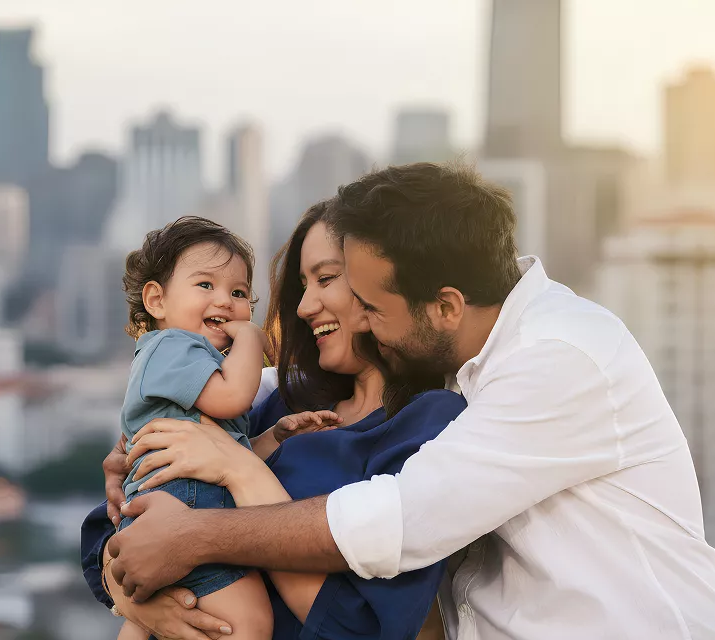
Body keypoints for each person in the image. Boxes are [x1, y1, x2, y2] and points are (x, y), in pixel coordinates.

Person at [106, 163, 715, 640]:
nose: (356, 318)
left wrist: (201, 527)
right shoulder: (452, 362)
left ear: (444, 306)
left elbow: (401, 521)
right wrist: (138, 578)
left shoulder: (556, 358)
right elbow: (123, 511)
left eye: (371, 306)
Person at [82, 201, 465, 640]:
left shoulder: (431, 422)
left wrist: (239, 470)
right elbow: (109, 530)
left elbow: (368, 627)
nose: (303, 306)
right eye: (302, 284)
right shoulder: (281, 402)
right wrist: (143, 604)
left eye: (326, 279)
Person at [107, 216, 274, 640]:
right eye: (206, 286)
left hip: (174, 502)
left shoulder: (192, 363)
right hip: (184, 504)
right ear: (156, 301)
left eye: (239, 293)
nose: (225, 301)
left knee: (146, 618)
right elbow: (233, 398)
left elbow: (228, 451)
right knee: (249, 623)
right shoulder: (173, 346)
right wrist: (253, 340)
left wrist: (278, 435)